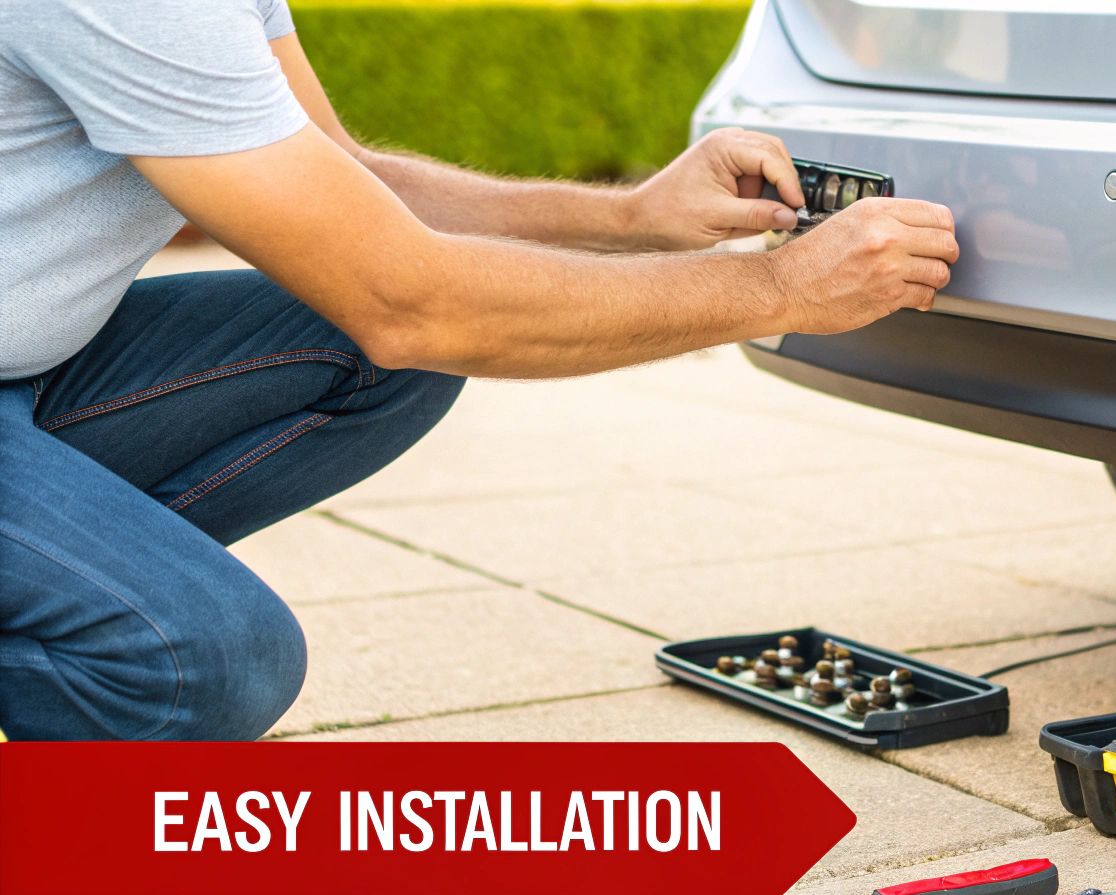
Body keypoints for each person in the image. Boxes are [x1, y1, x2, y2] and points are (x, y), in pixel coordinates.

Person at [0, 0, 959, 740]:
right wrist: (781, 293)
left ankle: (73, 588)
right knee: (201, 665)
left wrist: (629, 219)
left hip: (32, 373)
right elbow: (412, 301)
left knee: (363, 358)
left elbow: (341, 178)